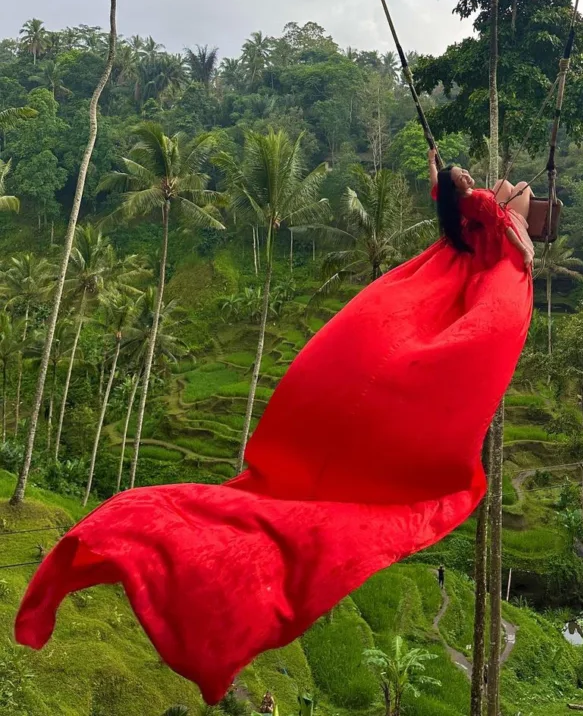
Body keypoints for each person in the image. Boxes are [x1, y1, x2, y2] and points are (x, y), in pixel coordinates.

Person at [16, 147, 533, 706]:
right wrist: (490, 212)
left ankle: (166, 560)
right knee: (306, 519)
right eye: (495, 185)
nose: (506, 183)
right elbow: (474, 237)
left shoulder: (475, 248)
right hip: (415, 339)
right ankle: (191, 589)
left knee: (287, 509)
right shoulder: (488, 249)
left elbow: (462, 215)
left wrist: (466, 198)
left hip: (406, 330)